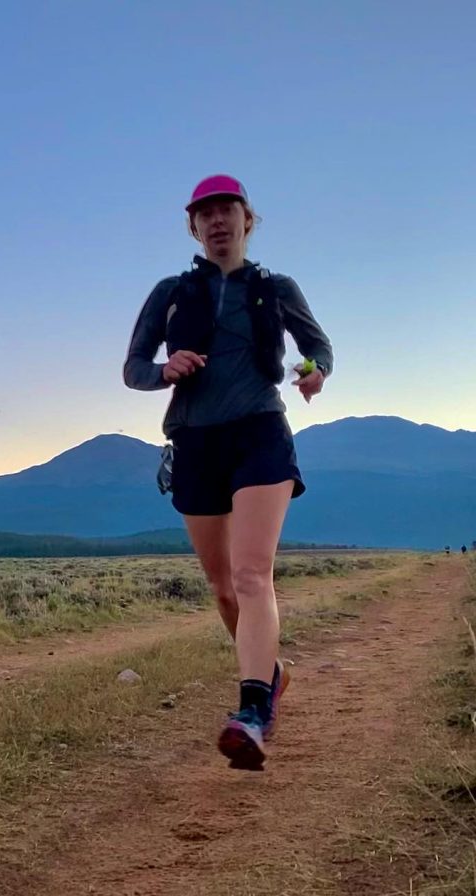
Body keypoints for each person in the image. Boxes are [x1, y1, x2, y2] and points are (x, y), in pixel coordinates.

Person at [123, 174, 334, 770]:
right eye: (205, 213)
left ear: (248, 220)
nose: (218, 221)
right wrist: (164, 371)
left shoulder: (276, 287)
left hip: (261, 433)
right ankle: (270, 674)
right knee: (223, 588)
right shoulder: (170, 291)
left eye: (228, 210)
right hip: (195, 442)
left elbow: (319, 346)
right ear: (193, 226)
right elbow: (133, 367)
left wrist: (314, 370)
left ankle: (252, 711)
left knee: (250, 574)